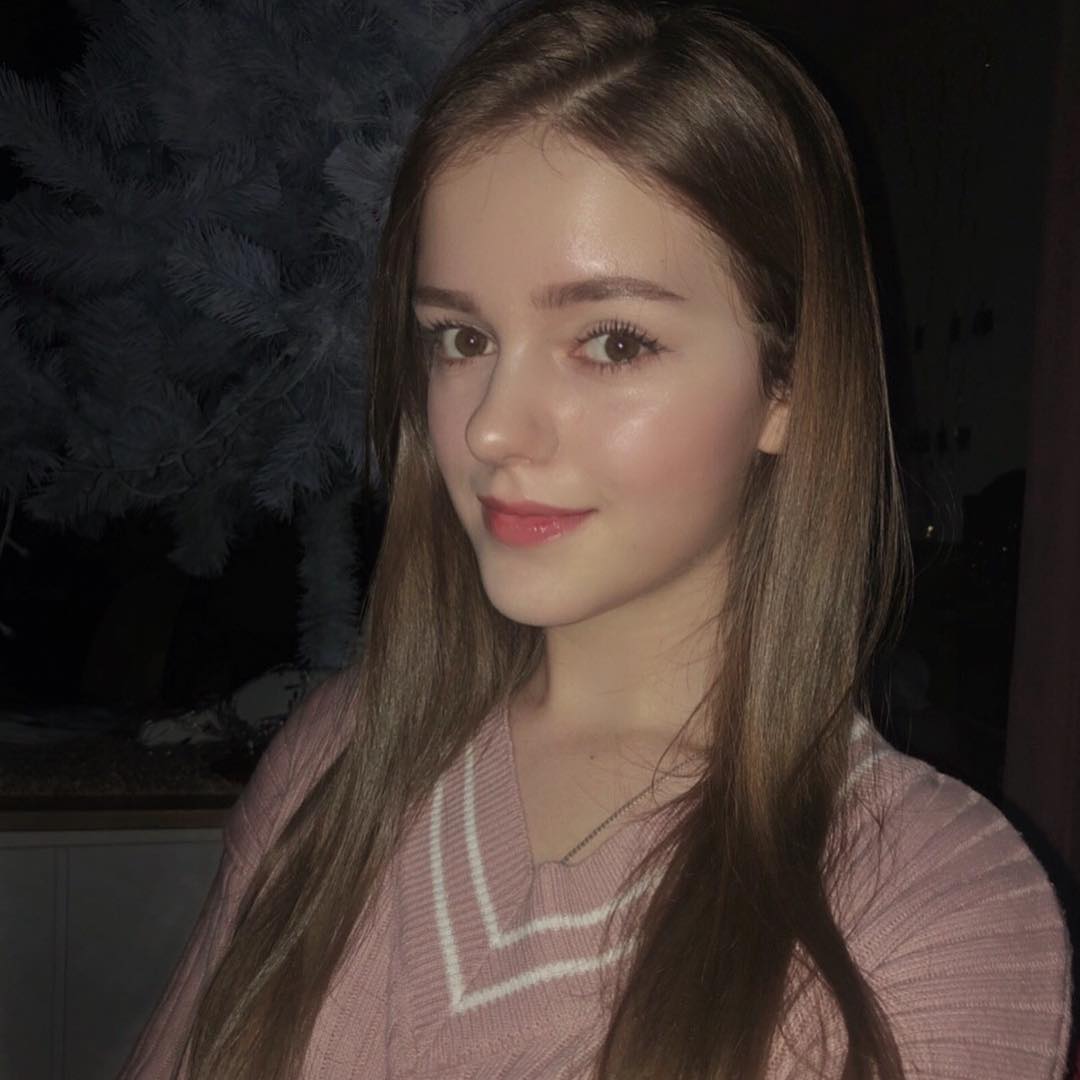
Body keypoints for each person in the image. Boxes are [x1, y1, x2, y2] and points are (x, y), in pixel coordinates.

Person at [119, 1, 1073, 1077]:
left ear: (791, 385)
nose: (490, 428)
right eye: (461, 337)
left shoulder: (930, 909)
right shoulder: (338, 758)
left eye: (612, 342)